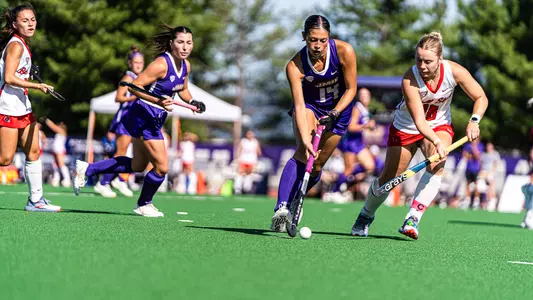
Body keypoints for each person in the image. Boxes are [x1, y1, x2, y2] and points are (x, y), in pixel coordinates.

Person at [350, 31, 488, 240]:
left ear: (440, 59)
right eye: (418, 60)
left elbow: (480, 97)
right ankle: (365, 215)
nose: (422, 66)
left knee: (437, 164)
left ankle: (413, 218)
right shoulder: (409, 79)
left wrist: (474, 120)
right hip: (407, 127)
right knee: (390, 177)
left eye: (428, 62)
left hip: (439, 124)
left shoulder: (454, 72)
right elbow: (419, 121)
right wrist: (435, 141)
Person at [73, 25, 206, 217]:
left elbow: (182, 89)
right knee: (161, 168)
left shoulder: (186, 65)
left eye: (189, 43)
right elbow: (133, 87)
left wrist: (193, 102)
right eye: (180, 42)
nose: (185, 47)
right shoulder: (161, 64)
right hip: (144, 114)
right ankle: (144, 203)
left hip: (156, 117)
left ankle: (88, 169)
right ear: (171, 43)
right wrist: (158, 100)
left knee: (137, 166)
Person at [270, 15, 358, 232]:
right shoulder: (295, 66)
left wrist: (335, 113)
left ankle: (295, 202)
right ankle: (281, 208)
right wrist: (307, 139)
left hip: (339, 111)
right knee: (304, 151)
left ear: (329, 38)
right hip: (311, 107)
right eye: (312, 40)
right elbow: (299, 107)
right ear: (304, 37)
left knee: (318, 165)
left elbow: (351, 88)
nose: (317, 46)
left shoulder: (345, 51)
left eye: (322, 40)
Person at [0, 4, 61, 212]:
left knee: (34, 150)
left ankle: (36, 201)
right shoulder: (16, 45)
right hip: (7, 107)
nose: (30, 24)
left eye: (32, 19)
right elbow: (8, 78)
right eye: (25, 20)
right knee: (5, 158)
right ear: (15, 24)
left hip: (22, 106)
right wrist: (38, 86)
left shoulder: (24, 44)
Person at [95, 45, 144, 198]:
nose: (138, 65)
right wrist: (134, 97)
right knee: (120, 154)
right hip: (124, 120)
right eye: (136, 62)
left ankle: (121, 179)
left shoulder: (139, 78)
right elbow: (119, 97)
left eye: (141, 63)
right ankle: (103, 183)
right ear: (130, 63)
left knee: (134, 154)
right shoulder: (128, 78)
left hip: (133, 121)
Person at [338, 88, 375, 180]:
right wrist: (366, 126)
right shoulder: (357, 109)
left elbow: (367, 127)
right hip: (350, 143)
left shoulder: (365, 110)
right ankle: (335, 191)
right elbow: (351, 127)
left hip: (359, 143)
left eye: (366, 95)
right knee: (348, 170)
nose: (364, 97)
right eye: (362, 95)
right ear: (359, 97)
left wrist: (370, 126)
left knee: (370, 166)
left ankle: (351, 183)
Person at [41, 117, 71, 188]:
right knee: (56, 165)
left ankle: (67, 180)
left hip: (60, 150)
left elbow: (53, 127)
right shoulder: (59, 132)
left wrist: (47, 120)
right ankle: (56, 180)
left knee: (61, 165)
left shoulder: (62, 131)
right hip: (55, 150)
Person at [234, 130, 262, 194]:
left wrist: (257, 161)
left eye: (250, 134)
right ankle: (237, 188)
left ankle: (246, 188)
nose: (249, 135)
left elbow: (259, 152)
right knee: (240, 173)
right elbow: (239, 150)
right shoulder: (243, 141)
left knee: (249, 174)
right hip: (243, 160)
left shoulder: (255, 142)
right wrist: (238, 159)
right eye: (248, 134)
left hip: (252, 161)